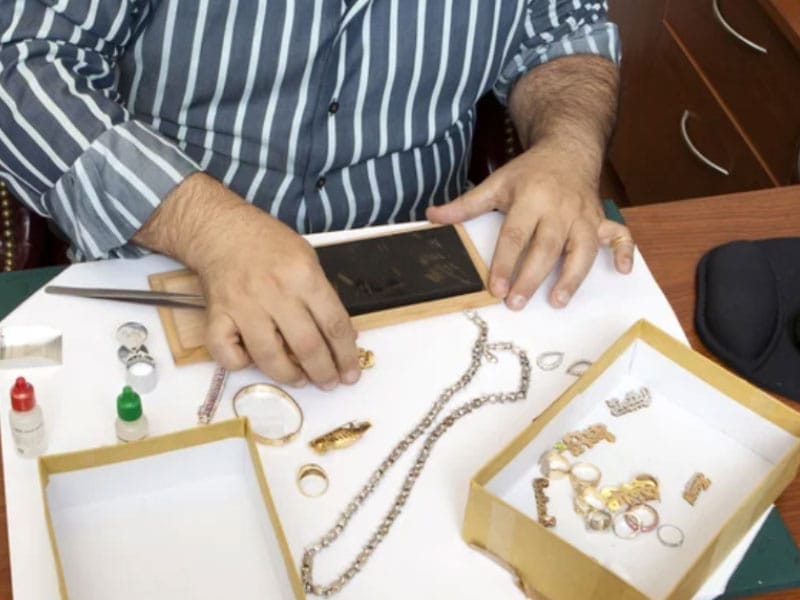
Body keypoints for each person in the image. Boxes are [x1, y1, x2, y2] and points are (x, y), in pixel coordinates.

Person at [0, 1, 634, 390]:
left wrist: (568, 147)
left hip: (426, 277)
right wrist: (206, 228)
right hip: (177, 273)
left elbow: (564, 32)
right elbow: (22, 63)